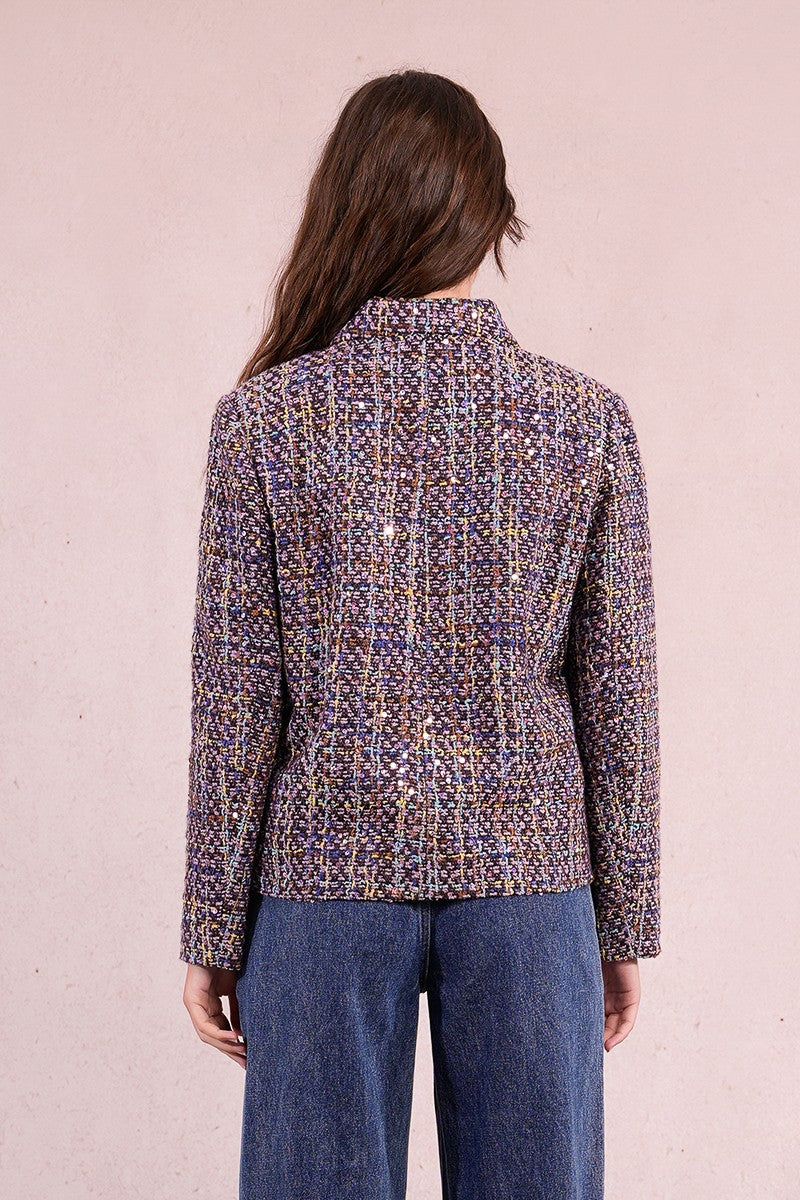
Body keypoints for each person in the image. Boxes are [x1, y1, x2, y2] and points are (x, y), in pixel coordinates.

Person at [178, 68, 660, 1200]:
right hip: (530, 875)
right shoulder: (582, 421)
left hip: (321, 881)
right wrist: (623, 919)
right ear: (489, 219)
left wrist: (212, 928)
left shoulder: (264, 420)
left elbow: (235, 704)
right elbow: (619, 697)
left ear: (347, 210)